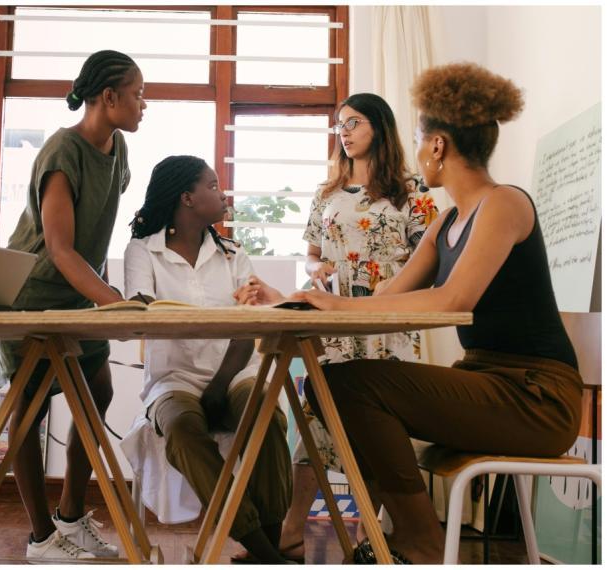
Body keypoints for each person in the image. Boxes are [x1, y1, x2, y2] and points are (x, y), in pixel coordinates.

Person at [237, 63, 582, 564]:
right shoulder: (448, 221)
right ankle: (392, 538)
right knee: (338, 385)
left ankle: (416, 539)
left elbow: (451, 301)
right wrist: (292, 299)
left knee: (353, 386)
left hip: (535, 397)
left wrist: (332, 302)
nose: (418, 151)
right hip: (489, 381)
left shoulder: (504, 204)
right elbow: (381, 304)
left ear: (438, 146)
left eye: (421, 140)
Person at [255, 93, 438, 563]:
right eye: (339, 124)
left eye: (353, 122)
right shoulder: (327, 192)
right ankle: (293, 540)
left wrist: (394, 289)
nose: (344, 131)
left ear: (378, 126)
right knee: (316, 425)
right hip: (333, 321)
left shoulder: (411, 188)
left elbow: (433, 257)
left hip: (389, 323)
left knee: (378, 431)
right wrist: (315, 269)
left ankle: (362, 536)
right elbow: (313, 252)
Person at [0, 49, 146, 561]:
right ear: (109, 97)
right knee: (31, 408)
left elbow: (99, 230)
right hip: (34, 293)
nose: (143, 105)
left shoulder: (119, 149)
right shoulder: (62, 150)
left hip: (82, 292)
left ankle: (70, 518)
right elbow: (59, 248)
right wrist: (117, 304)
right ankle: (41, 538)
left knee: (96, 393)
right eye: (137, 94)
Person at [123, 155, 292, 564]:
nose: (223, 193)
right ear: (187, 198)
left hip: (233, 375)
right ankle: (266, 552)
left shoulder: (234, 254)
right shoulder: (143, 252)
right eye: (213, 186)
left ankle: (261, 552)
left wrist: (218, 386)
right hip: (173, 380)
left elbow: (244, 333)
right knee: (183, 429)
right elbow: (144, 316)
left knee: (268, 416)